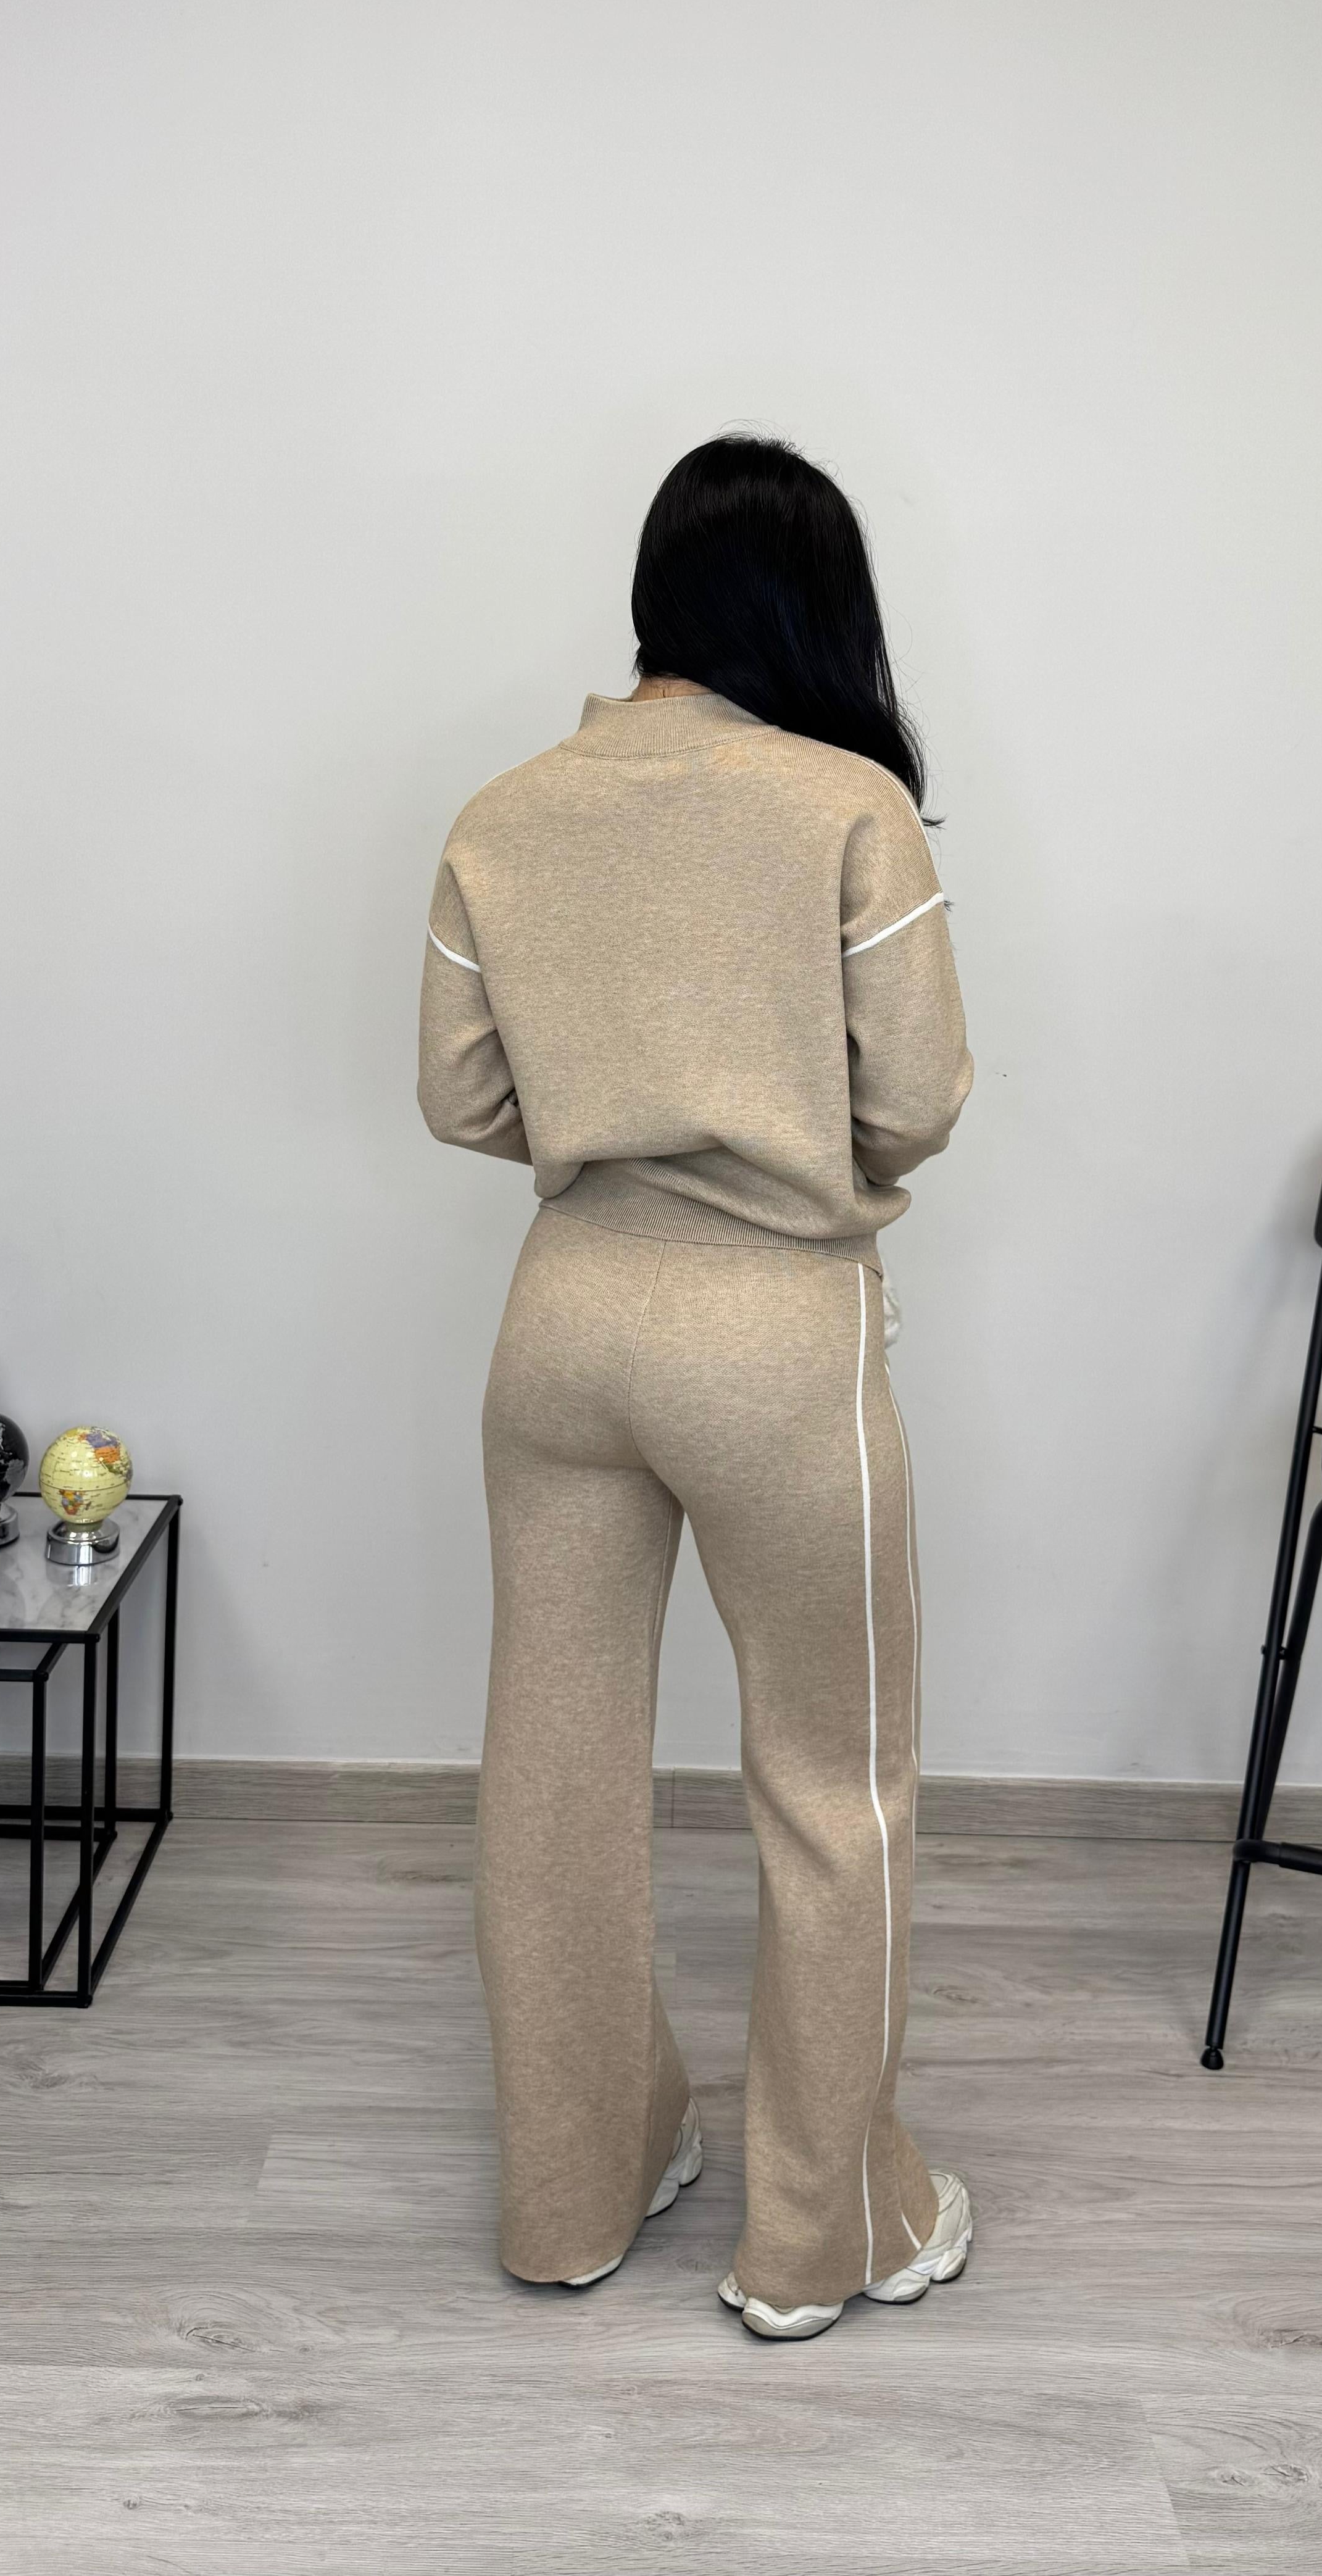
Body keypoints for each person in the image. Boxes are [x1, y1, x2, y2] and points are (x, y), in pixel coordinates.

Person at [417, 434, 975, 2340]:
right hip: (773, 1338)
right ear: (817, 612)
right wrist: (778, 1142)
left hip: (563, 1329)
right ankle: (828, 2235)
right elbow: (920, 1098)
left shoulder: (506, 811)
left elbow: (461, 1097)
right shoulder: (848, 810)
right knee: (836, 1783)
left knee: (553, 1773)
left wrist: (618, 1127)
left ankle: (573, 2191)